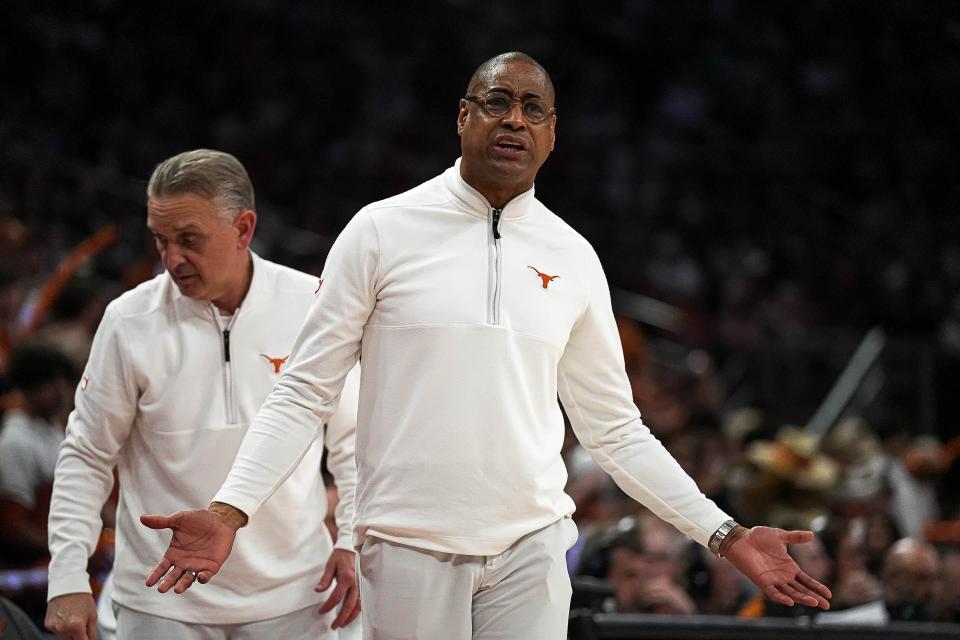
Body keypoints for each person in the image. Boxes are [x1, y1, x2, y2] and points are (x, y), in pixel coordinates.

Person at [144, 53, 832, 639]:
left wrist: (725, 534)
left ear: (553, 134)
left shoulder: (574, 256)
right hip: (407, 546)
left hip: (531, 548)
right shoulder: (381, 231)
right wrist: (231, 509)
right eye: (498, 102)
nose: (515, 120)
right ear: (463, 116)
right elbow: (303, 389)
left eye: (534, 109)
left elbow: (616, 432)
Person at [43, 149, 361, 640]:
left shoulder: (311, 305)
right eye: (160, 240)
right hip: (160, 601)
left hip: (297, 596)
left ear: (243, 229)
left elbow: (355, 438)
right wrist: (66, 576)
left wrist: (355, 540)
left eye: (188, 240)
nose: (171, 258)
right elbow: (86, 454)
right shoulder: (128, 321)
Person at [0, 344, 75, 567]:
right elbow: (11, 527)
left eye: (65, 383)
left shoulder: (55, 430)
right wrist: (68, 551)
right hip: (30, 567)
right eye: (53, 383)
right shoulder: (16, 442)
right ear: (29, 387)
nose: (62, 391)